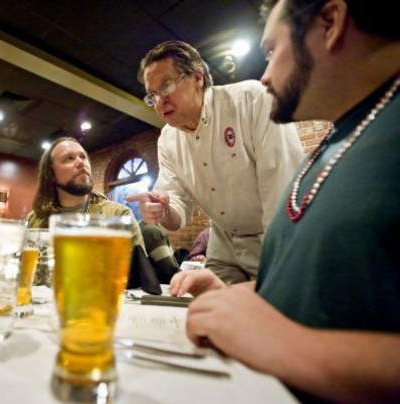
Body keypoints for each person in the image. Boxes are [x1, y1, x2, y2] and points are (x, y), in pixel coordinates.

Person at [170, 0, 400, 401]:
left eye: (272, 50)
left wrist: (288, 345)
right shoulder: (344, 137)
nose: (264, 76)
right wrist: (239, 297)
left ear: (330, 24)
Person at [126, 40, 304, 284]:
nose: (159, 102)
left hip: (272, 235)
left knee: (272, 303)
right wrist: (164, 210)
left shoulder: (251, 99)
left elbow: (282, 190)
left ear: (197, 78)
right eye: (153, 95)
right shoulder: (167, 139)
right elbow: (176, 205)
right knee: (209, 304)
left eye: (166, 86)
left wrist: (281, 269)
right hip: (223, 242)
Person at [27, 136, 144, 251]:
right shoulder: (34, 219)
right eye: (69, 158)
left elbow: (140, 263)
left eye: (83, 157)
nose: (81, 162)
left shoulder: (118, 215)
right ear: (51, 174)